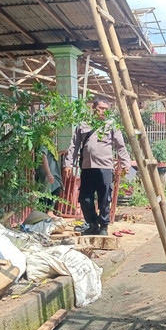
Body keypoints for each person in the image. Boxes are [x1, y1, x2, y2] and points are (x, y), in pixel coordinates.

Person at [63, 99, 130, 236]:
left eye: (106, 108)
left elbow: (120, 146)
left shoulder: (112, 125)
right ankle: (93, 224)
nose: (103, 111)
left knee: (104, 198)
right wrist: (68, 163)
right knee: (85, 198)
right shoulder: (83, 125)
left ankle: (104, 226)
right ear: (93, 108)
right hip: (87, 168)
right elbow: (74, 146)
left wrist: (125, 164)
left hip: (105, 167)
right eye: (100, 108)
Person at [36, 140, 63, 218]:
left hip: (53, 171)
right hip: (46, 172)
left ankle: (49, 212)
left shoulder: (49, 141)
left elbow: (49, 156)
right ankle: (43, 213)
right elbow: (43, 157)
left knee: (56, 188)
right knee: (45, 191)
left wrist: (59, 153)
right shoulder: (43, 141)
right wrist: (48, 173)